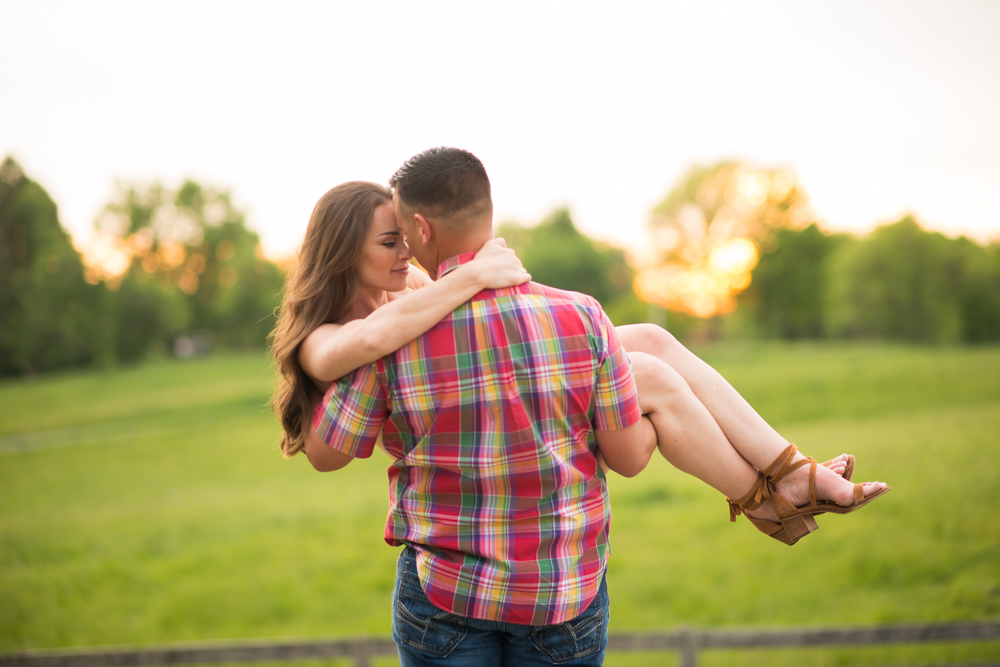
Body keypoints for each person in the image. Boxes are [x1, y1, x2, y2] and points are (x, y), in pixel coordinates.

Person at [271, 149, 889, 665]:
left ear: (423, 229)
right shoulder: (352, 333)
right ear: (346, 252)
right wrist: (477, 276)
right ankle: (772, 495)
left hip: (449, 589)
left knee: (649, 340)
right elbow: (366, 364)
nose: (405, 251)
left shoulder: (406, 300)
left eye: (406, 236)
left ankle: (784, 474)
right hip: (557, 591)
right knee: (642, 371)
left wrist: (481, 290)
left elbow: (471, 330)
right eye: (390, 241)